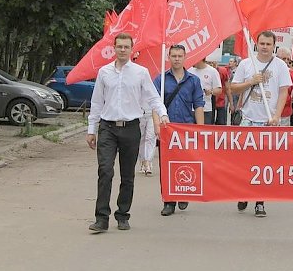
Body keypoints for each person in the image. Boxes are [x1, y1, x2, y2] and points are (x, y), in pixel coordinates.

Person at [86, 32, 169, 233]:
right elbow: (97, 102)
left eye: (126, 47)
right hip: (107, 127)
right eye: (119, 46)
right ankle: (101, 218)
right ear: (114, 48)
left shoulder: (141, 73)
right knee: (105, 170)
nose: (122, 50)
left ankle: (123, 215)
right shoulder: (104, 72)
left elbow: (153, 97)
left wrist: (163, 114)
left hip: (131, 128)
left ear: (132, 50)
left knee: (127, 175)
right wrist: (91, 129)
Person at [231, 31, 292, 217]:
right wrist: (250, 81)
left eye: (268, 44)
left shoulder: (280, 65)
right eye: (262, 43)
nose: (265, 47)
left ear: (274, 45)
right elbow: (233, 87)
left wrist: (277, 116)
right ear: (256, 44)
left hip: (268, 122)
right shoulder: (246, 63)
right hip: (248, 119)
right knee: (244, 161)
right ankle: (243, 192)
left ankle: (259, 201)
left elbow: (283, 92)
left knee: (264, 164)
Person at [154, 44, 205, 216]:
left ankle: (184, 192)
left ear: (185, 57)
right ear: (168, 57)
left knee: (186, 163)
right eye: (173, 56)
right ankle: (168, 201)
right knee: (166, 165)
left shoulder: (193, 80)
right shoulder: (160, 79)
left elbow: (198, 105)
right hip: (167, 128)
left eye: (179, 56)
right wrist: (156, 125)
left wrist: (200, 129)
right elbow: (155, 104)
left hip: (186, 129)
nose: (176, 59)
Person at [188, 58, 222, 125]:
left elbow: (219, 89)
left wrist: (211, 91)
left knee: (203, 132)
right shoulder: (189, 70)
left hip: (205, 109)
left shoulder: (212, 71)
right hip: (189, 109)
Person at [275, 47, 293, 126]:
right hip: (269, 111)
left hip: (285, 112)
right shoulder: (271, 70)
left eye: (288, 59)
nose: (285, 61)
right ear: (277, 58)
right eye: (283, 59)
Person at [137, 103, 158, 175]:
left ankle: (148, 162)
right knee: (141, 139)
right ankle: (143, 161)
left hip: (152, 114)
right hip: (139, 114)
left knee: (150, 138)